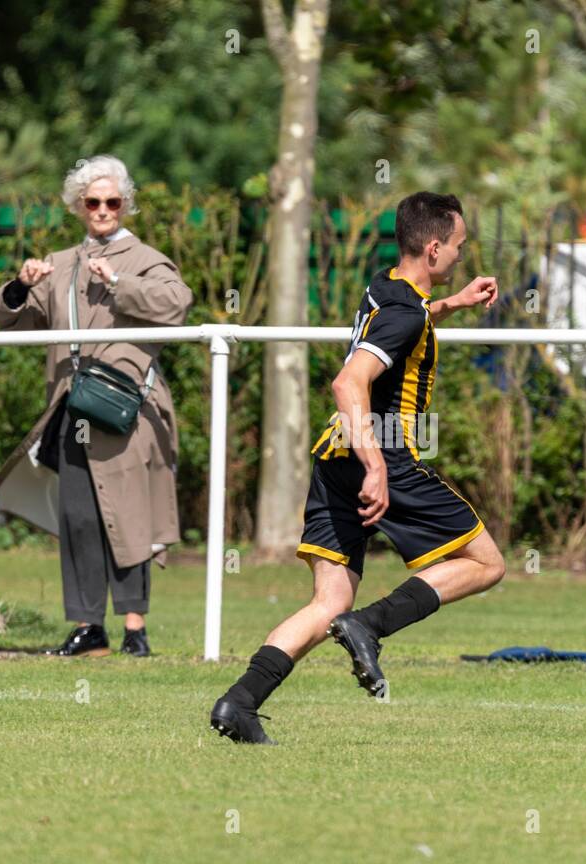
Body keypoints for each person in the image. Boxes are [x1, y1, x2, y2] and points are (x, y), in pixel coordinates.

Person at [209, 191, 505, 745]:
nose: (462, 256)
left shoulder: (387, 286)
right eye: (459, 247)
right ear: (435, 247)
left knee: (328, 602)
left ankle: (240, 702)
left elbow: (402, 325)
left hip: (333, 456)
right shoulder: (402, 311)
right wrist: (376, 465)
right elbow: (349, 382)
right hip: (382, 452)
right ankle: (369, 626)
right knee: (486, 563)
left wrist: (452, 304)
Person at [0, 155, 193, 657]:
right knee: (79, 519)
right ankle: (87, 627)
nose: (103, 210)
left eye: (113, 201)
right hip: (71, 407)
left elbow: (177, 304)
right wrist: (20, 285)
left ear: (126, 205)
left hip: (126, 407)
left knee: (128, 516)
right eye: (93, 201)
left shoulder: (146, 258)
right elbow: (5, 320)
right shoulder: (58, 263)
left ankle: (135, 629)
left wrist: (120, 284)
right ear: (79, 206)